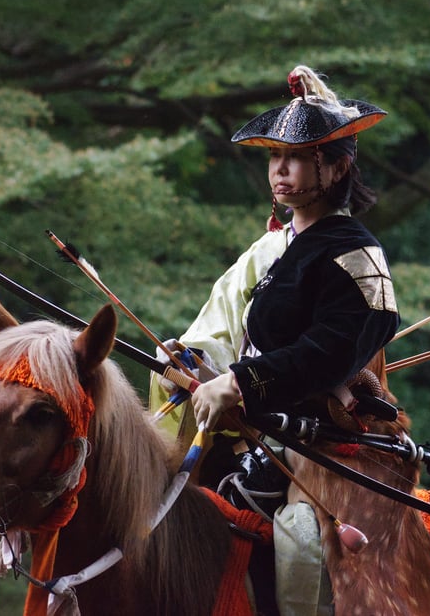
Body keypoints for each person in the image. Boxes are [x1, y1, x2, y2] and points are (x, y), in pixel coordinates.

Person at [151, 65, 399, 615]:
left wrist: (240, 383)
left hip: (321, 447)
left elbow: (333, 349)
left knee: (301, 547)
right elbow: (231, 330)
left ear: (337, 167)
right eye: (274, 157)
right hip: (249, 434)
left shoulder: (358, 252)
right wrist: (195, 362)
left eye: (297, 157)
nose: (280, 170)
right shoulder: (273, 250)